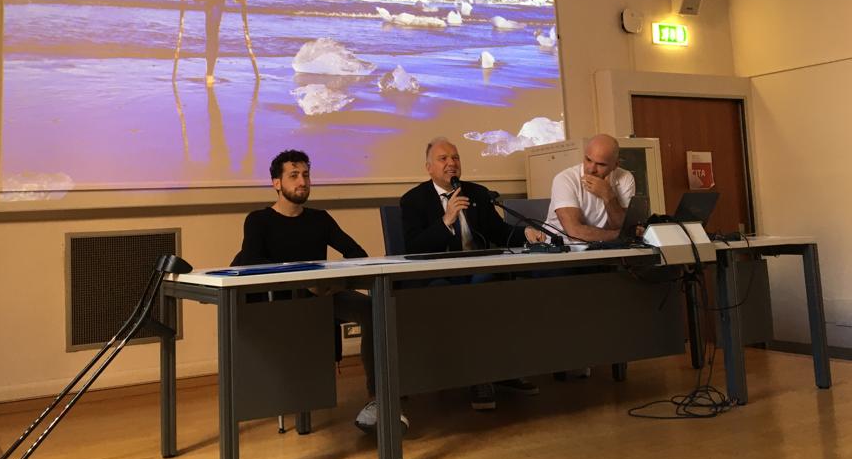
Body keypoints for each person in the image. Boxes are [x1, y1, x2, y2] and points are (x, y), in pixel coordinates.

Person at [233, 149, 407, 434]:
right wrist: (303, 282)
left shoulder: (320, 219)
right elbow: (253, 265)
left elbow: (357, 254)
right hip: (281, 304)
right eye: (293, 176)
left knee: (372, 309)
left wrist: (333, 284)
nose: (302, 181)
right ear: (276, 183)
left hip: (322, 297)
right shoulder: (259, 220)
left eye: (306, 175)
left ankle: (378, 400)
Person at [399, 137, 543, 410]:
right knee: (468, 293)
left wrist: (526, 233)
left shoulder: (477, 194)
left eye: (455, 158)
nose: (451, 163)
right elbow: (413, 247)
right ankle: (479, 376)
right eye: (443, 159)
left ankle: (504, 371)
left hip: (477, 269)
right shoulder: (413, 200)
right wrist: (446, 220)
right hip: (439, 275)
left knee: (500, 284)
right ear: (429, 168)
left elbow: (498, 231)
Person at [533, 134, 636, 244]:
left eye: (601, 164)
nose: (591, 169)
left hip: (602, 246)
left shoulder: (625, 178)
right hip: (562, 247)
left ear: (615, 165)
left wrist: (608, 195)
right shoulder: (565, 179)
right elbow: (575, 234)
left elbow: (621, 225)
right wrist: (620, 235)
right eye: (588, 160)